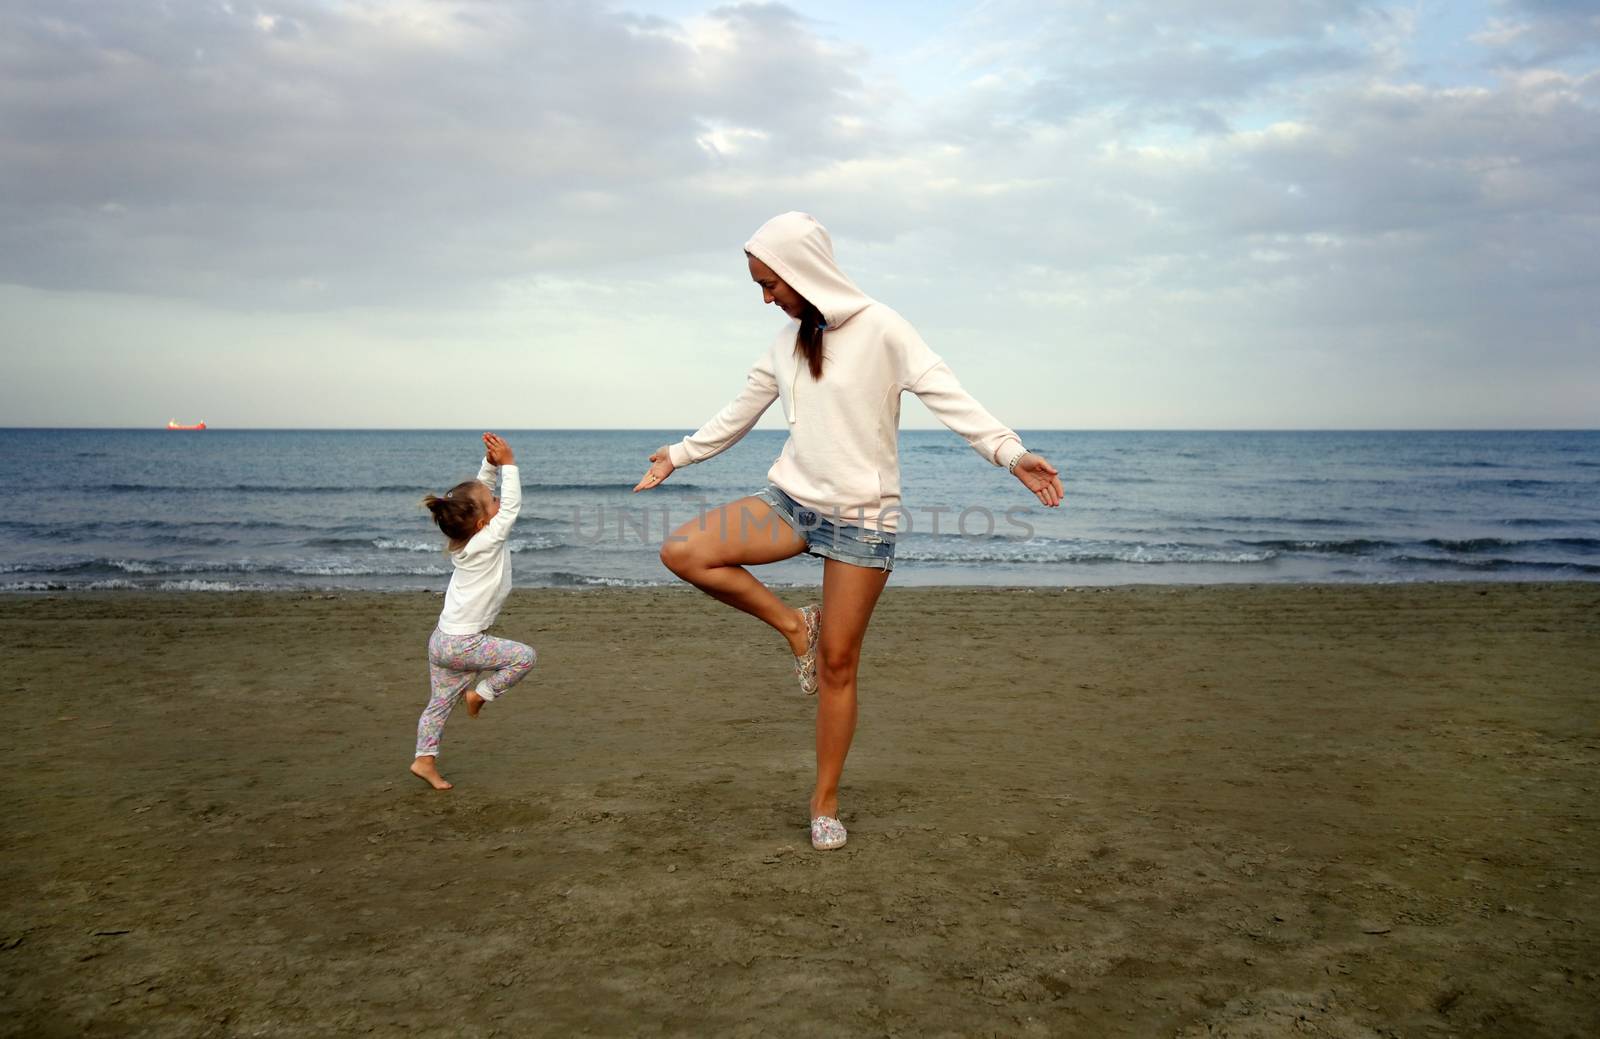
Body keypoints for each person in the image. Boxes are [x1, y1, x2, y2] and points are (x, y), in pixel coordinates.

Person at [634, 212, 1063, 849]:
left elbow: (947, 395)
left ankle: (824, 802)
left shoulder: (883, 328)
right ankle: (792, 624)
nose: (765, 297)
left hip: (864, 521)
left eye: (769, 283)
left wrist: (1008, 452)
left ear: (801, 273)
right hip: (790, 502)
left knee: (838, 665)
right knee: (685, 550)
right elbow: (740, 411)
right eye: (758, 285)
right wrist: (680, 453)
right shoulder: (784, 344)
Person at [411, 432, 537, 790]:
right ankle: (480, 694)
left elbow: (476, 496)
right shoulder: (488, 539)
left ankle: (424, 760)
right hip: (464, 644)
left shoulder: (466, 537)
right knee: (524, 658)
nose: (496, 500)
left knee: (438, 705)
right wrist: (509, 464)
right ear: (483, 523)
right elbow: (509, 508)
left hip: (441, 641)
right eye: (491, 502)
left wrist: (489, 465)